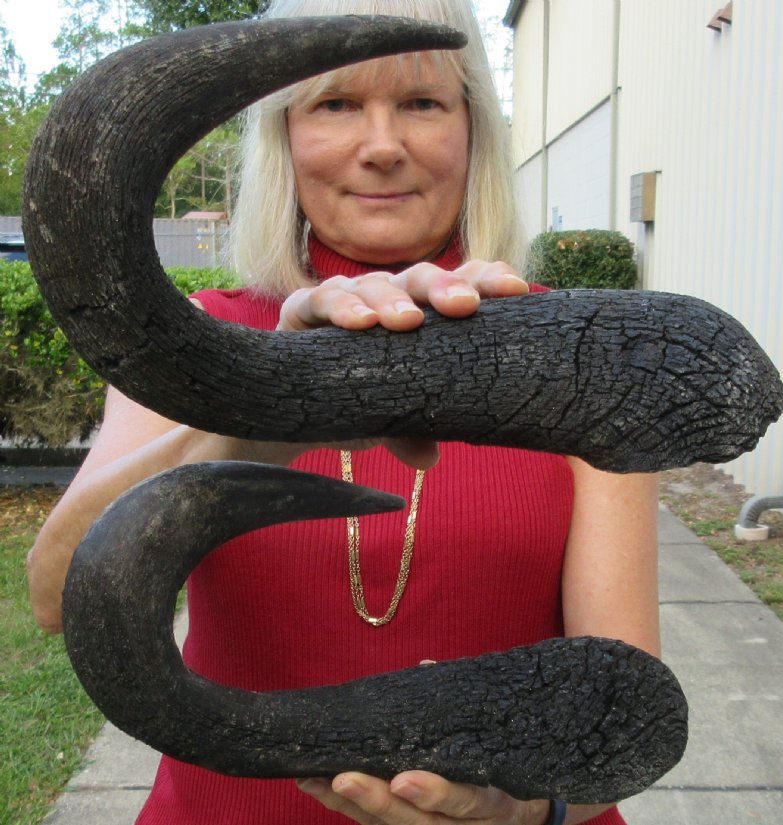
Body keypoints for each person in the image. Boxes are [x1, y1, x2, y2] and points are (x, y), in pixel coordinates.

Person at [27, 0, 660, 823]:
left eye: (422, 102)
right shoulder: (194, 338)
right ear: (284, 136)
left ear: (473, 130)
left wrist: (522, 810)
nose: (383, 144)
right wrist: (266, 400)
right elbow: (60, 595)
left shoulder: (579, 354)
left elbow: (625, 704)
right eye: (336, 103)